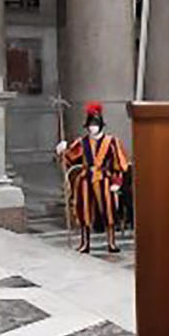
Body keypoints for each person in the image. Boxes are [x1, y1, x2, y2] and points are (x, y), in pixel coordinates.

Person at [56, 102, 131, 254]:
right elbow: (70, 159)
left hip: (104, 178)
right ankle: (85, 242)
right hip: (85, 179)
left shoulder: (111, 142)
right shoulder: (82, 142)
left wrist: (117, 182)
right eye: (90, 125)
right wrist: (62, 151)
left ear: (101, 125)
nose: (92, 127)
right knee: (84, 211)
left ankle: (111, 242)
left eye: (95, 124)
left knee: (109, 211)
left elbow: (119, 164)